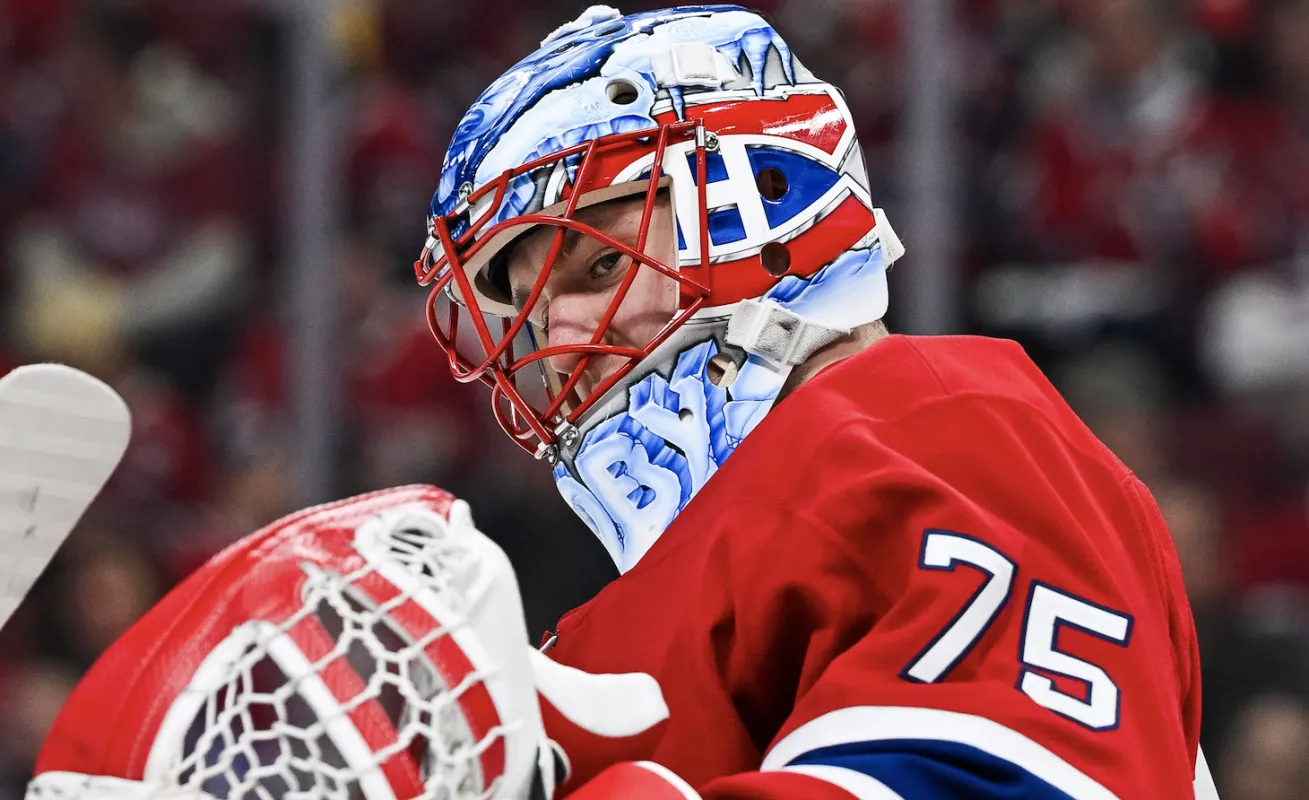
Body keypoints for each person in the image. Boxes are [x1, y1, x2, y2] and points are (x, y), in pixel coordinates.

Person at [413, 5, 1207, 798]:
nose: (560, 336)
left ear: (770, 200)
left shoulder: (934, 433)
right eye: (532, 307)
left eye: (595, 268)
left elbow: (991, 784)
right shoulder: (617, 628)